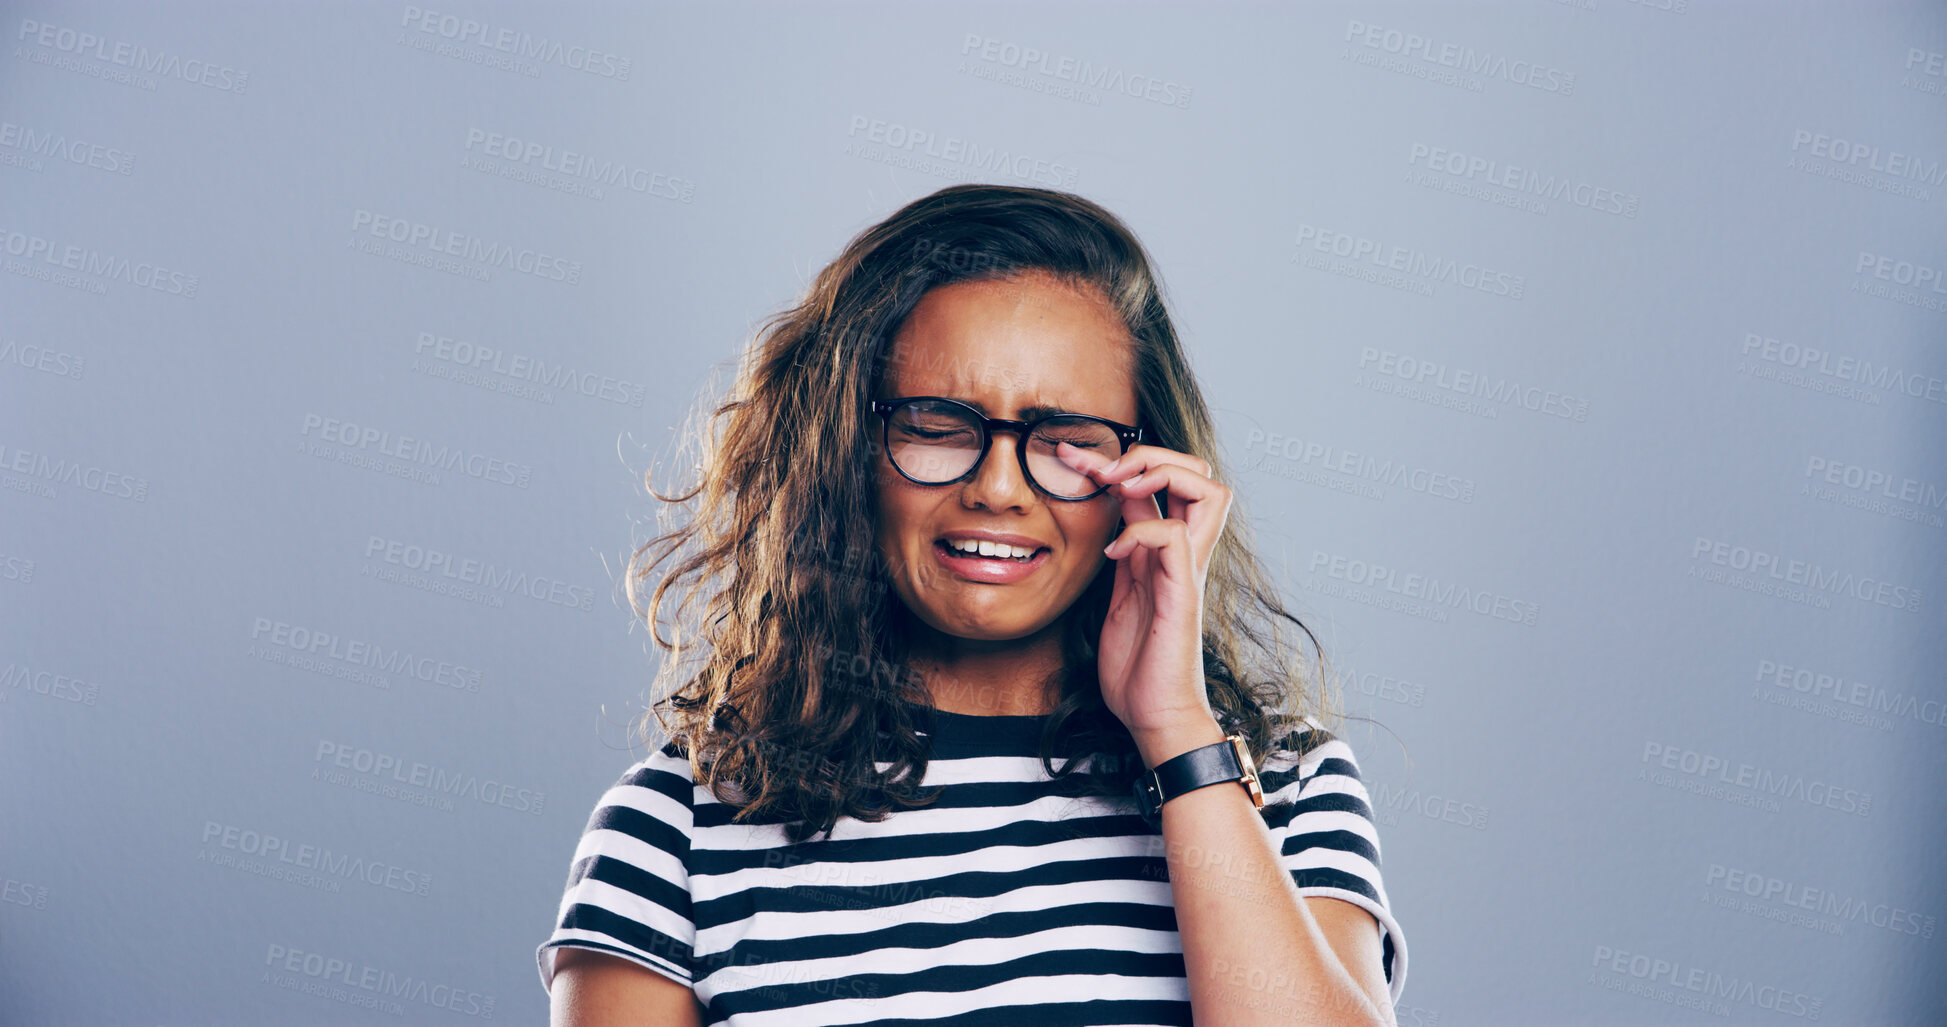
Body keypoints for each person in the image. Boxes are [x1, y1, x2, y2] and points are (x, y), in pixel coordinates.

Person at [537, 184, 1407, 1026]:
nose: (997, 487)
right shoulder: (675, 830)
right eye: (935, 425)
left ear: (1142, 476)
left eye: (1067, 439)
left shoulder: (1282, 788)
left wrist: (1176, 729)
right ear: (848, 449)